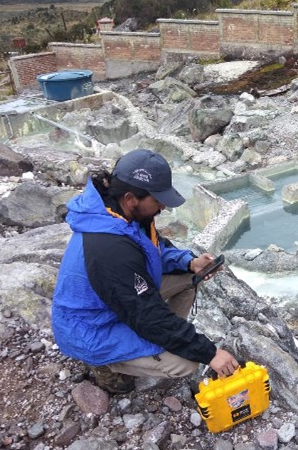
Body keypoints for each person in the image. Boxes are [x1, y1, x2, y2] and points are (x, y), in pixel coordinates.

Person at [50, 149, 240, 395]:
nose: (163, 206)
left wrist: (189, 263)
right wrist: (210, 352)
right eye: (158, 199)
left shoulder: (124, 215)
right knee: (187, 362)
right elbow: (145, 314)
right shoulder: (110, 248)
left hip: (119, 302)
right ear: (131, 198)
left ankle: (164, 338)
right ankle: (105, 365)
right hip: (93, 328)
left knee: (190, 279)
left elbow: (155, 249)